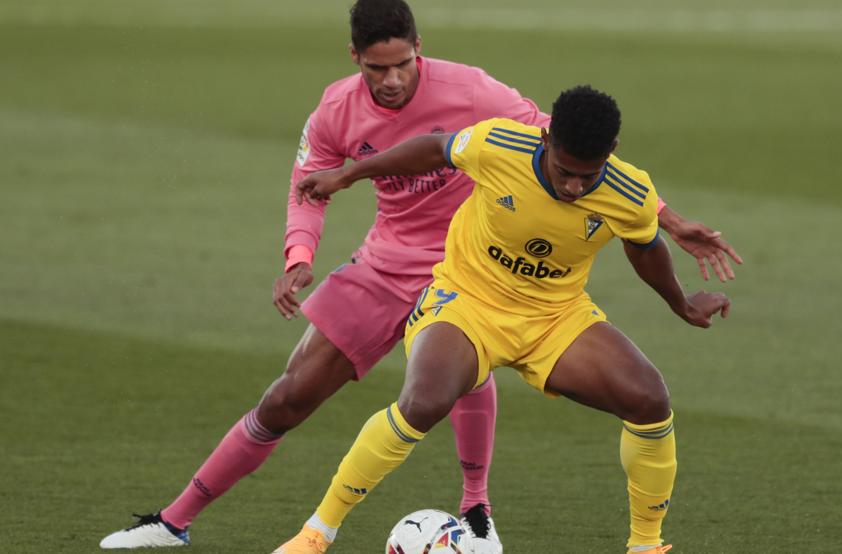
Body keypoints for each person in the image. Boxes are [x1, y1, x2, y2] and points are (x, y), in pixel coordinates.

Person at [100, 0, 740, 550]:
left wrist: (668, 224)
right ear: (354, 57)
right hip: (396, 267)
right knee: (295, 396)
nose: (391, 79)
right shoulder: (337, 113)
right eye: (376, 67)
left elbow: (595, 176)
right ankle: (181, 522)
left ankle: (482, 512)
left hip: (506, 286)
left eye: (402, 64)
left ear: (418, 51)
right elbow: (315, 183)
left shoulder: (475, 94)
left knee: (506, 381)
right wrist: (300, 255)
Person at [273, 85, 731, 554]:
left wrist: (680, 303)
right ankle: (315, 534)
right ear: (547, 138)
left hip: (554, 316)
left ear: (611, 153)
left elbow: (645, 246)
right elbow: (434, 148)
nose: (574, 188)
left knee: (650, 399)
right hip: (466, 301)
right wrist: (348, 176)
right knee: (423, 402)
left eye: (587, 177)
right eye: (565, 172)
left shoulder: (628, 190)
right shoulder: (499, 145)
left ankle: (646, 547)